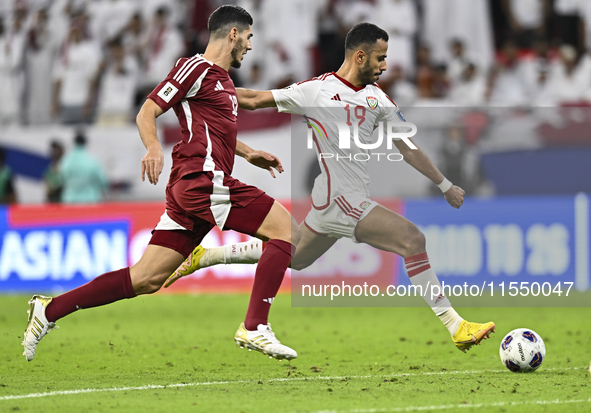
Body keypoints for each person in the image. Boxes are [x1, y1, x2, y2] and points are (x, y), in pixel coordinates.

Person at [168, 23, 495, 353]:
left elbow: (407, 148)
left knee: (295, 256)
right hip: (342, 200)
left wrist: (444, 184)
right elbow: (254, 99)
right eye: (380, 58)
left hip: (333, 202)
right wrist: (200, 91)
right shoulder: (317, 90)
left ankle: (207, 255)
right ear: (360, 55)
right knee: (413, 239)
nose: (385, 66)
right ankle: (456, 325)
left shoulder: (378, 99)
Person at [22, 5, 300, 362]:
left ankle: (48, 310)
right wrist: (153, 147)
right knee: (289, 235)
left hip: (193, 187)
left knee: (146, 279)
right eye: (247, 37)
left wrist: (247, 153)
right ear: (232, 34)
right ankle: (254, 325)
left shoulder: (224, 82)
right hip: (203, 180)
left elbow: (215, 130)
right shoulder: (195, 67)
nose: (249, 45)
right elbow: (147, 110)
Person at [59, 133, 108, 204]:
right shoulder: (92, 161)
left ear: (74, 143)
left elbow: (61, 180)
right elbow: (103, 181)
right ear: (86, 143)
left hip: (70, 201)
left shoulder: (65, 161)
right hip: (89, 200)